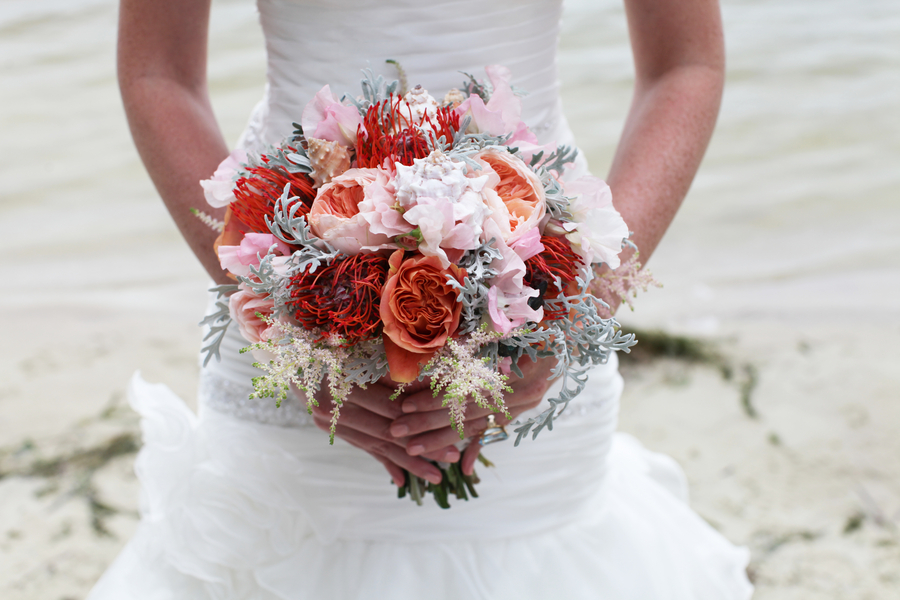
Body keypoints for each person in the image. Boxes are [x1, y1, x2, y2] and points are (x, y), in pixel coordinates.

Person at [89, 0, 753, 598]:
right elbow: (158, 74)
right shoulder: (284, 318)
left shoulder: (560, 303)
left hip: (542, 276)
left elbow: (685, 64)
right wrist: (281, 323)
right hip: (285, 264)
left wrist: (577, 309)